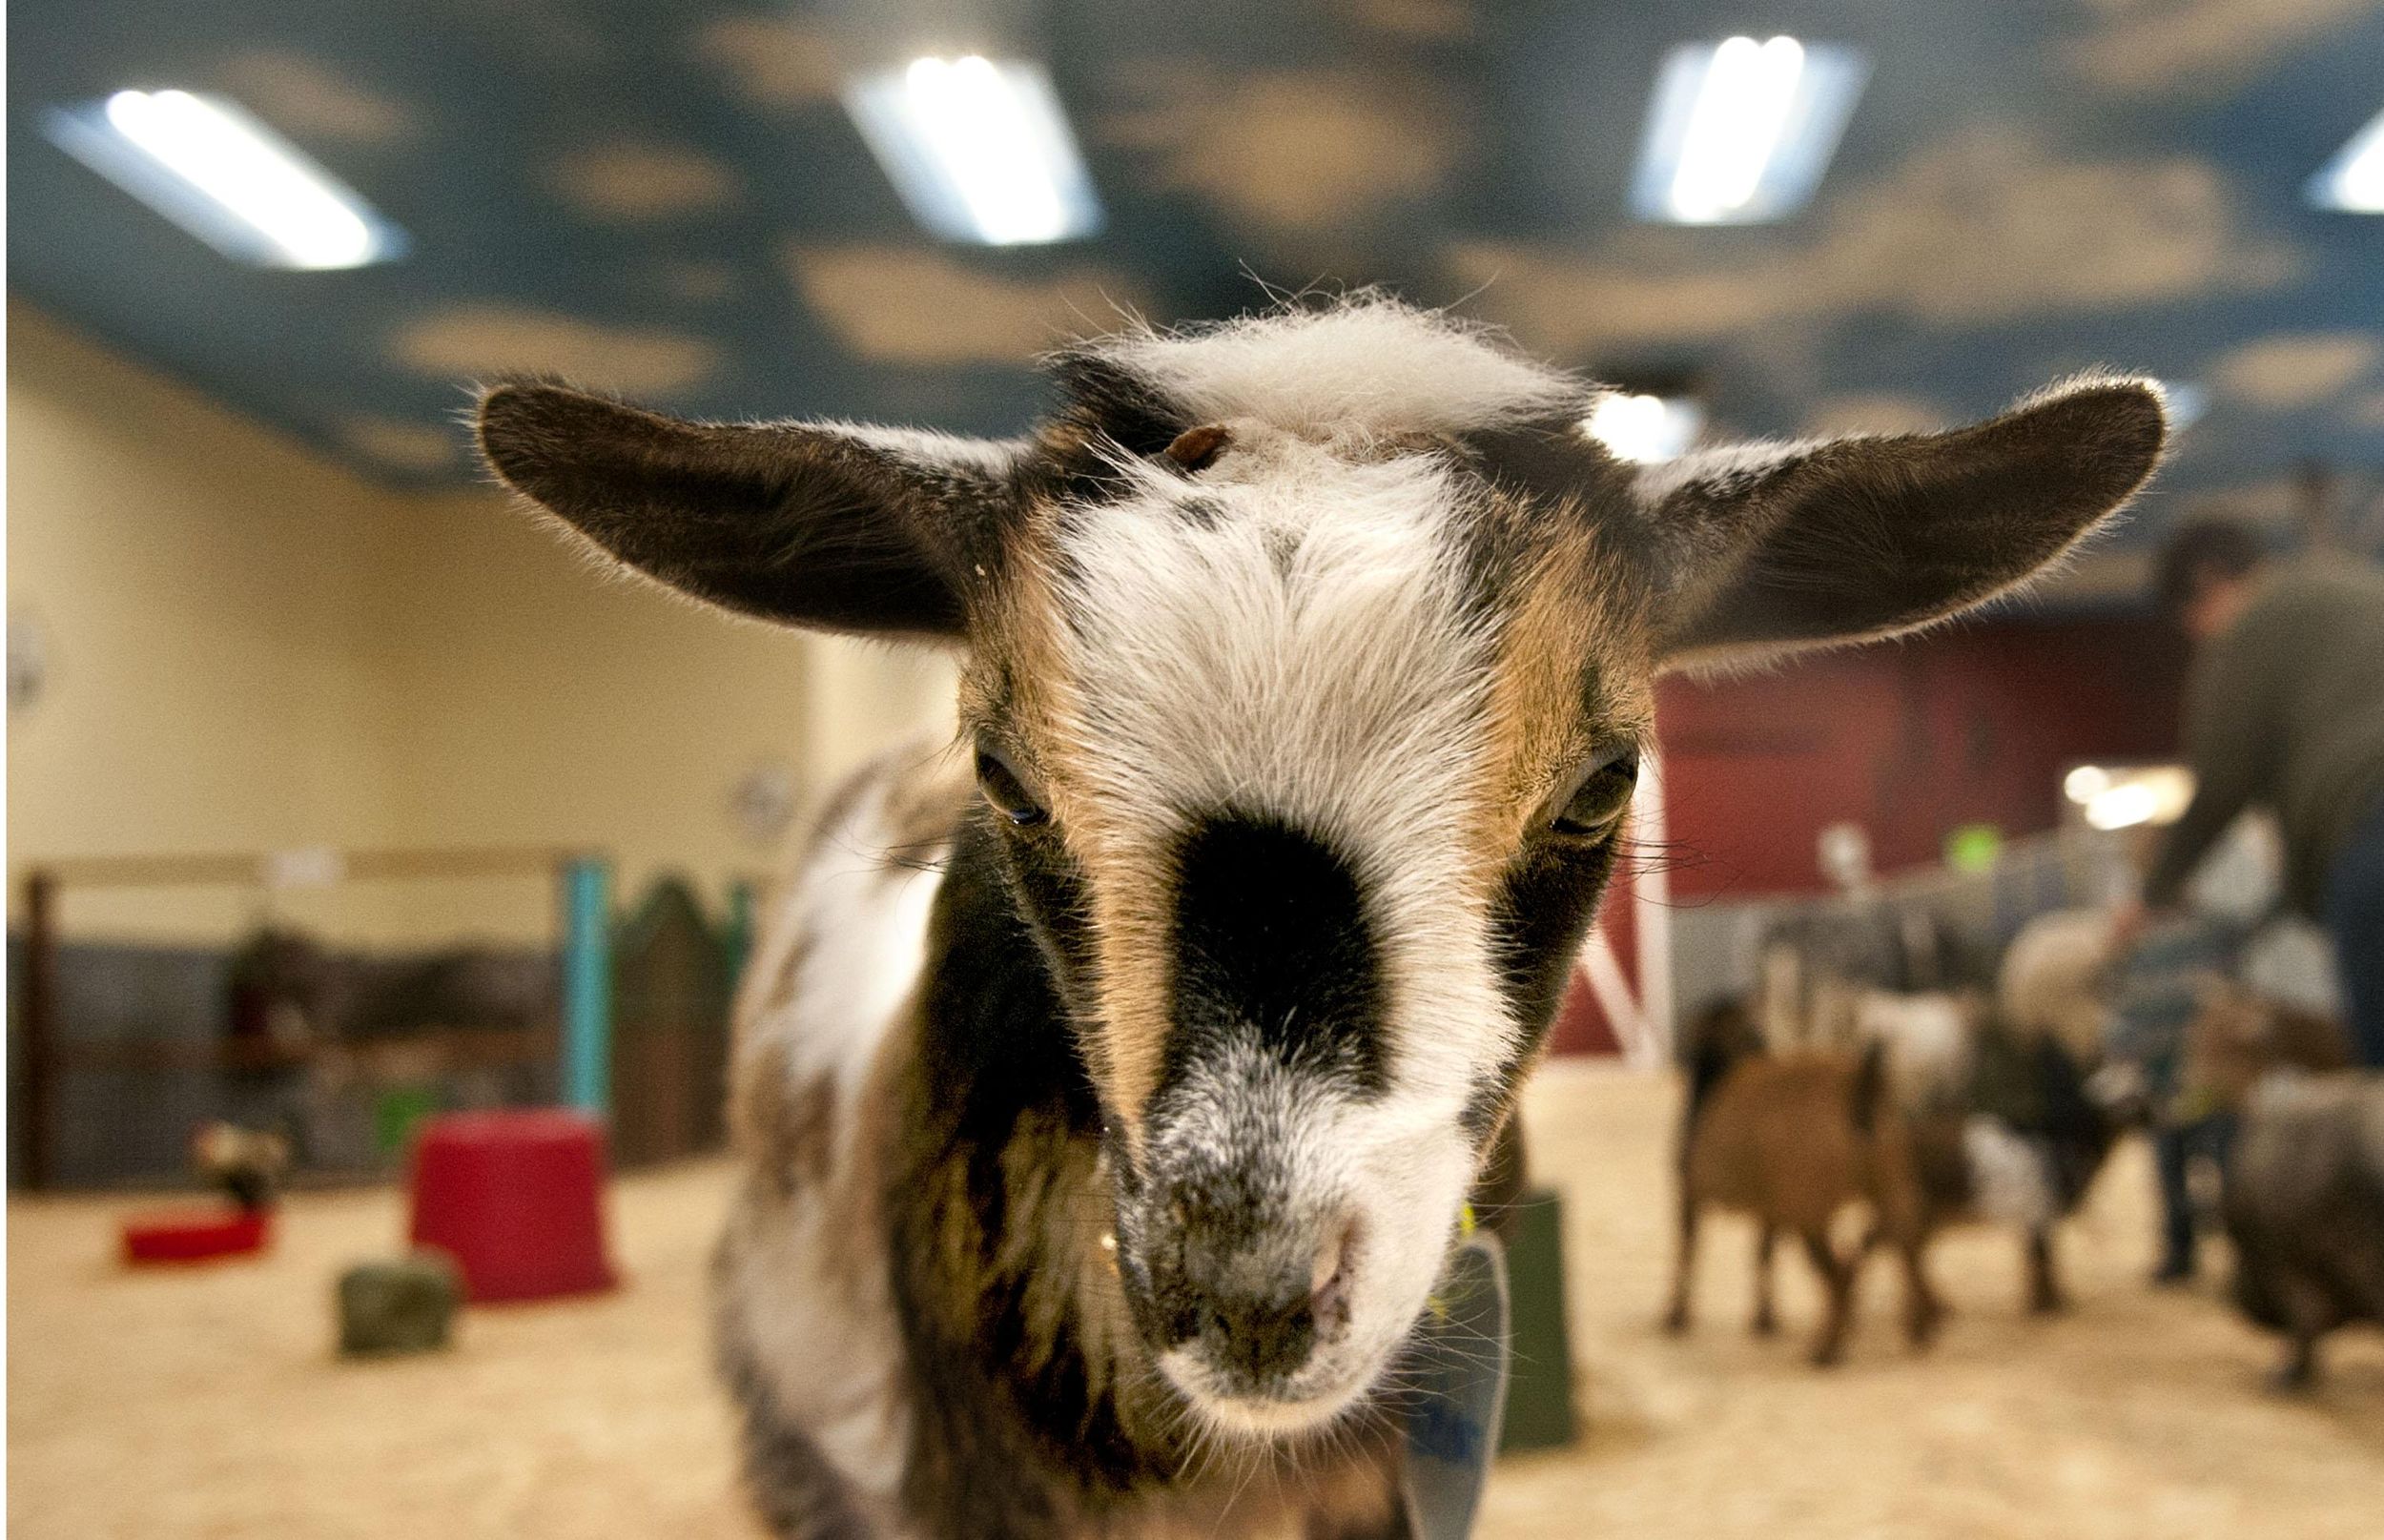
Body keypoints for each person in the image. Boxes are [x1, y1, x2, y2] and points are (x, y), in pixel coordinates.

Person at [2116, 519, 2384, 1068]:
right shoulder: (2359, 588)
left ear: (2208, 581)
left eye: (2191, 622)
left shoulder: (2246, 631)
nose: (2199, 638)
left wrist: (2151, 896)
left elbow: (2220, 782)